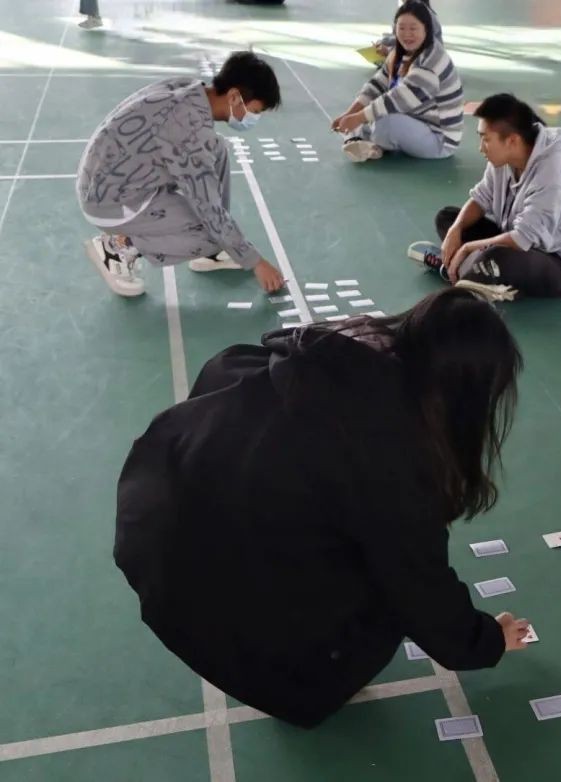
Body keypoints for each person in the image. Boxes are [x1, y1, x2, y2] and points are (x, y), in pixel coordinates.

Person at [114, 289, 530, 728]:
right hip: (224, 618)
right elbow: (419, 588)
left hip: (155, 546)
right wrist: (487, 640)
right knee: (380, 597)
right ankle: (291, 680)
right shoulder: (391, 462)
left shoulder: (310, 357)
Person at [77, 52, 285, 298]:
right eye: (255, 111)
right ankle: (117, 248)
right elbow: (209, 211)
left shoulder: (190, 89)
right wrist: (255, 261)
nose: (254, 118)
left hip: (104, 179)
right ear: (233, 97)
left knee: (216, 148)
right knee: (213, 231)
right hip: (111, 203)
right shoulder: (189, 130)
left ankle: (214, 253)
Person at [407, 93, 561, 302]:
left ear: (512, 141)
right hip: (518, 236)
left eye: (485, 139)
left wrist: (467, 247)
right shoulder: (505, 157)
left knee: (498, 257)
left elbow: (521, 239)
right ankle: (471, 271)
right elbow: (481, 197)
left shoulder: (552, 176)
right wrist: (456, 230)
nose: (480, 147)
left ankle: (457, 269)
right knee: (448, 218)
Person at [331, 1, 462, 163]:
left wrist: (357, 118)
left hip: (439, 140)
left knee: (384, 122)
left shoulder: (431, 61)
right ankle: (365, 140)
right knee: (370, 114)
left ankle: (370, 141)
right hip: (415, 121)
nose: (407, 34)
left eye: (413, 28)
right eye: (401, 28)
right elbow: (377, 84)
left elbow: (398, 100)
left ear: (426, 29)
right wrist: (350, 113)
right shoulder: (400, 52)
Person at [365, 0, 443, 65]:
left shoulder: (424, 14)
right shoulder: (406, 10)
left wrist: (389, 51)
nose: (407, 33)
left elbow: (418, 48)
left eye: (413, 28)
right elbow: (398, 37)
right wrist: (383, 42)